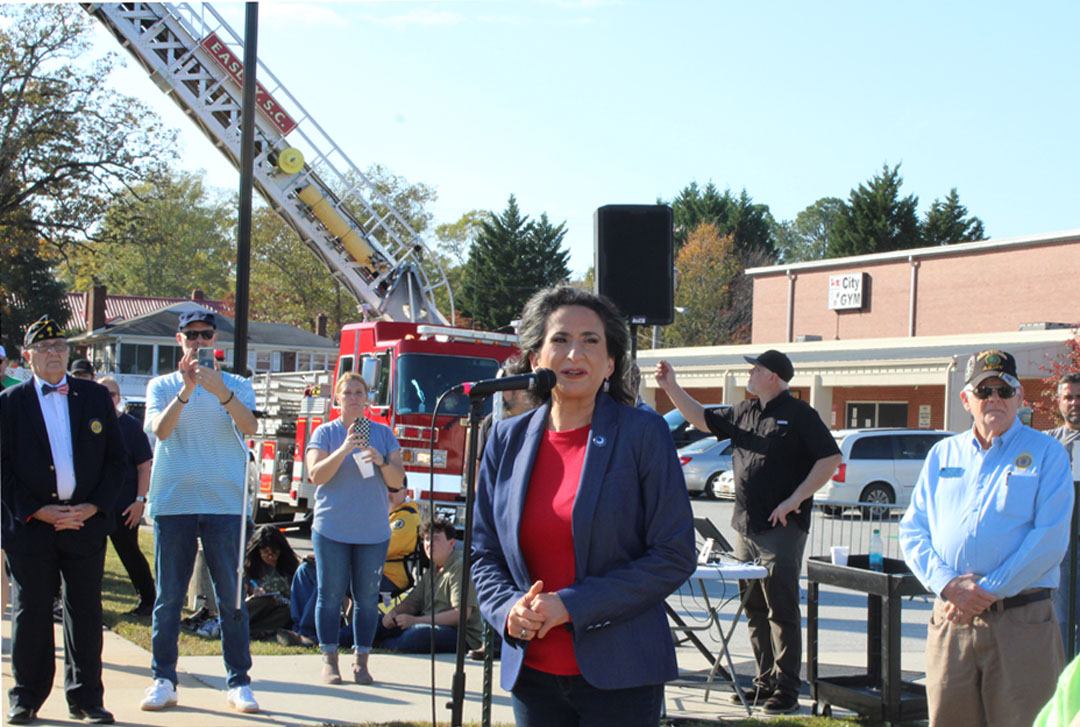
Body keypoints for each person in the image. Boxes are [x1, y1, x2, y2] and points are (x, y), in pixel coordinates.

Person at [472, 285, 696, 727]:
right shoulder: (506, 439)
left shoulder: (643, 435)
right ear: (534, 359)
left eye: (591, 341)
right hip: (532, 674)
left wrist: (570, 605)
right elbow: (483, 554)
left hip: (622, 675)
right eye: (560, 340)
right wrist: (506, 610)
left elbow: (674, 554)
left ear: (611, 363)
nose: (575, 353)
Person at [655, 349, 841, 714]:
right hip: (745, 526)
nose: (751, 374)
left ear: (773, 376)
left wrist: (794, 499)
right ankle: (764, 681)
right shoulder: (744, 411)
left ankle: (786, 689)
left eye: (756, 369)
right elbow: (703, 418)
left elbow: (830, 458)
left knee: (781, 608)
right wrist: (671, 386)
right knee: (754, 607)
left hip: (781, 527)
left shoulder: (800, 415)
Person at [899, 349, 1074, 727]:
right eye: (984, 390)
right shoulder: (942, 454)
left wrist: (984, 591)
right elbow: (913, 531)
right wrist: (948, 585)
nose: (994, 398)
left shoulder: (1048, 454)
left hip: (1022, 623)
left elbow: (1049, 541)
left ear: (1020, 398)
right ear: (966, 400)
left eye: (1004, 389)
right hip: (952, 620)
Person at [1, 315, 125, 725]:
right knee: (31, 612)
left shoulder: (93, 397)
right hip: (31, 527)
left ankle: (86, 698)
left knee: (86, 613)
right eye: (44, 348)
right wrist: (38, 509)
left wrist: (94, 507)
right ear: (28, 356)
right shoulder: (10, 403)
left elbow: (116, 461)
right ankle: (25, 698)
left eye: (59, 346)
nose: (53, 353)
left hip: (84, 524)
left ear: (70, 353)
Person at [139, 310, 261, 714]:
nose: (198, 342)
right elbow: (160, 430)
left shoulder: (238, 384)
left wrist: (220, 391)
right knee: (169, 598)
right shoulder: (162, 385)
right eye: (191, 336)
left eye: (205, 335)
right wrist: (188, 390)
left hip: (224, 503)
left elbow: (250, 428)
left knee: (231, 599)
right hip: (175, 502)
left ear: (215, 340)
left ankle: (239, 681)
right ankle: (163, 679)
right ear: (179, 340)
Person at [305, 372, 405, 684]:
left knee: (366, 598)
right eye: (347, 392)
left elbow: (396, 481)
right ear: (337, 399)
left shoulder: (383, 434)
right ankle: (329, 661)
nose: (353, 397)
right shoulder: (325, 433)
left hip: (373, 532)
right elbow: (316, 475)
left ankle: (361, 662)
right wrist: (346, 448)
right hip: (332, 528)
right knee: (330, 595)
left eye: (359, 392)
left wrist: (380, 461)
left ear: (367, 399)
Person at [375, 518, 482, 653]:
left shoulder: (460, 566)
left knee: (418, 635)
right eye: (426, 539)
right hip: (425, 624)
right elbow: (411, 604)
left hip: (459, 635)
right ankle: (347, 639)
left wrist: (415, 621)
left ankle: (381, 644)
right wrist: (393, 614)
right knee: (373, 622)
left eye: (436, 539)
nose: (429, 544)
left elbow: (460, 615)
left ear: (451, 543)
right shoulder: (433, 570)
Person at [98, 376, 156, 617]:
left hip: (124, 506)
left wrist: (140, 502)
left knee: (129, 553)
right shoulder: (88, 424)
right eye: (102, 393)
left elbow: (144, 466)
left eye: (112, 394)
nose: (108, 398)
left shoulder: (131, 427)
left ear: (119, 398)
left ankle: (148, 601)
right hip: (95, 506)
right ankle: (89, 604)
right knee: (89, 558)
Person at [1048, 372, 1080, 655]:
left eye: (1079, 397)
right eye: (1069, 397)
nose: (1074, 403)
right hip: (1059, 550)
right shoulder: (1048, 442)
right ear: (1059, 401)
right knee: (1059, 628)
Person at [243, 525, 301, 638]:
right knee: (261, 602)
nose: (270, 557)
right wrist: (253, 596)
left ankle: (253, 630)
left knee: (289, 611)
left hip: (280, 610)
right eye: (265, 552)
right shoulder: (250, 568)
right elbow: (241, 598)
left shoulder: (290, 568)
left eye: (274, 552)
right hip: (257, 607)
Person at [382, 482, 421, 595]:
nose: (388, 493)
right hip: (374, 572)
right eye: (385, 488)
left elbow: (385, 548)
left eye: (394, 489)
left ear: (406, 492)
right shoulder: (391, 515)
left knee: (336, 579)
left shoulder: (405, 519)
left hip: (391, 578)